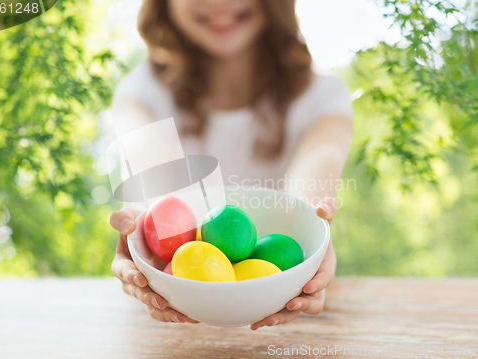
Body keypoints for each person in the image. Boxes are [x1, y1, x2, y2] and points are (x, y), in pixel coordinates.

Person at [109, 0, 353, 330]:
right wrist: (143, 235)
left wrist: (314, 234)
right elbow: (158, 185)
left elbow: (314, 178)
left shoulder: (324, 95)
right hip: (169, 324)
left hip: (294, 324)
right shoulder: (140, 93)